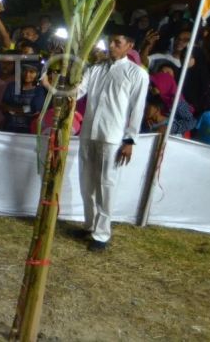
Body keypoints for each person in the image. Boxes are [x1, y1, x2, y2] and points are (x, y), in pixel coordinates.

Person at [73, 27, 149, 252]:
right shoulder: (94, 69)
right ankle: (89, 224)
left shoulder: (137, 73)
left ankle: (102, 234)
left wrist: (130, 140)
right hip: (88, 132)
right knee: (86, 182)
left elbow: (137, 109)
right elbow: (78, 91)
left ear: (129, 46)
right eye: (110, 42)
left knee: (106, 184)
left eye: (117, 42)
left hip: (112, 136)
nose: (112, 46)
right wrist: (58, 85)